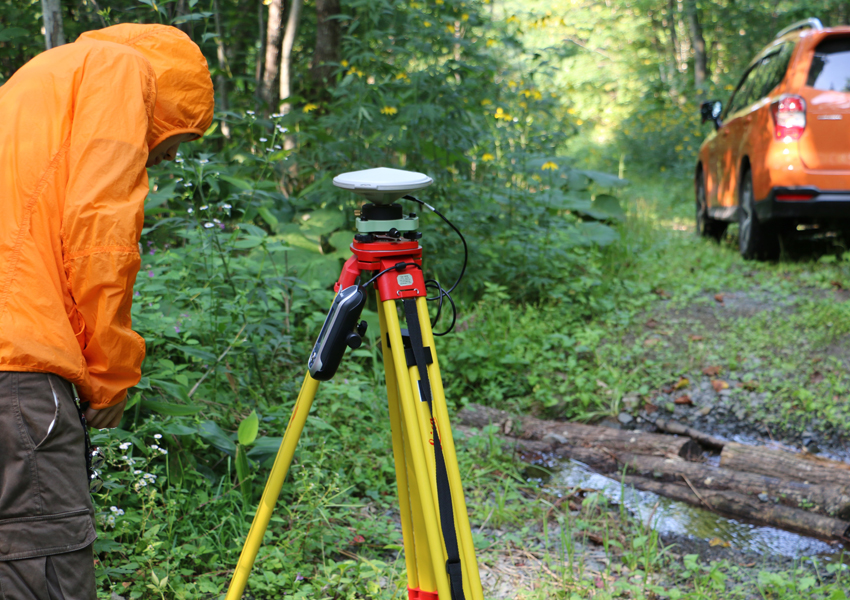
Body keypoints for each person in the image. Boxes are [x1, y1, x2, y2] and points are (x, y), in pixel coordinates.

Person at [0, 23, 214, 598]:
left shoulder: (41, 77)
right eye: (173, 144)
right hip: (19, 364)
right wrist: (111, 376)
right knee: (43, 565)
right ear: (168, 101)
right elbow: (100, 239)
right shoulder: (119, 73)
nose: (165, 160)